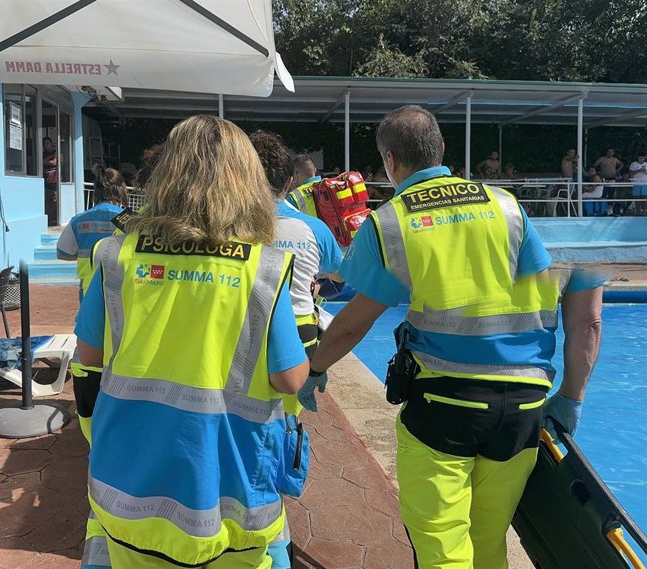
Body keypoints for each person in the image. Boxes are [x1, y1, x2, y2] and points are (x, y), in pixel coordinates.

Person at [297, 105, 603, 569]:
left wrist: (315, 368)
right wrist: (571, 398)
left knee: (442, 550)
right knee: (488, 542)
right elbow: (581, 313)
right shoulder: (506, 205)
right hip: (523, 411)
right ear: (441, 150)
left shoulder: (393, 221)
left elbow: (355, 319)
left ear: (391, 162)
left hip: (445, 407)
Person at [74, 115, 309, 569]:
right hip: (227, 494)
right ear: (247, 183)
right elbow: (290, 378)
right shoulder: (262, 266)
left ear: (167, 176)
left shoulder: (117, 253)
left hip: (129, 491)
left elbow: (90, 355)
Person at [248, 130, 343, 569]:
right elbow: (344, 278)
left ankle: (263, 525)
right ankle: (273, 529)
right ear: (289, 182)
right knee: (282, 431)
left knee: (247, 428)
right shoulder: (313, 228)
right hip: (300, 346)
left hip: (242, 342)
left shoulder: (228, 224)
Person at [56, 165, 128, 300]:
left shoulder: (78, 220)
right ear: (121, 190)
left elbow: (63, 253)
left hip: (89, 290)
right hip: (122, 289)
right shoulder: (129, 220)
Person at [43, 136, 59, 226]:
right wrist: (50, 157)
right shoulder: (44, 154)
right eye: (44, 144)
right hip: (46, 182)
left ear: (51, 144)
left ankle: (55, 219)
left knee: (54, 201)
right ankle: (49, 219)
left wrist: (51, 159)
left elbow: (55, 163)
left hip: (54, 181)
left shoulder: (56, 153)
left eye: (48, 143)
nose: (46, 145)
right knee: (47, 202)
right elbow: (43, 161)